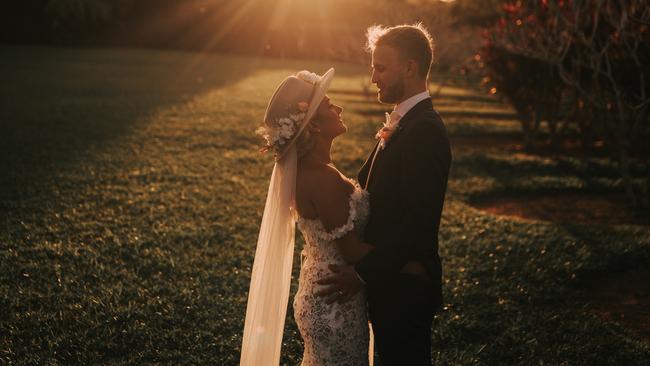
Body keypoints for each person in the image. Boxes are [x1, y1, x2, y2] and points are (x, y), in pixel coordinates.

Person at [315, 24, 452, 365]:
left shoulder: (425, 131)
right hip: (389, 283)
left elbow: (417, 223)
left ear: (410, 67)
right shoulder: (404, 123)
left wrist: (362, 273)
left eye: (381, 67)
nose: (373, 77)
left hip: (405, 286)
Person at [240, 68, 376, 365]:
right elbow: (351, 250)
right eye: (329, 105)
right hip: (336, 300)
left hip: (322, 291)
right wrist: (405, 258)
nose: (338, 108)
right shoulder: (322, 178)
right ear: (313, 125)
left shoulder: (307, 172)